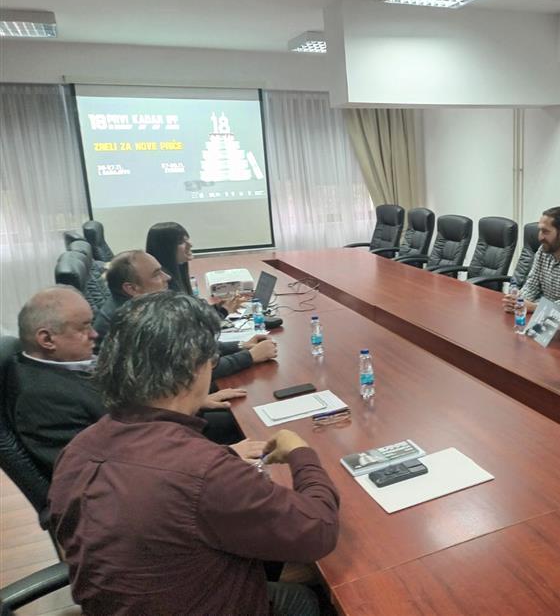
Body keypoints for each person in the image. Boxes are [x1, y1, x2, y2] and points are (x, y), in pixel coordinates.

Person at [48, 291, 339, 615]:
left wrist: (218, 444)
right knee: (309, 598)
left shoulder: (78, 449)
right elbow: (319, 530)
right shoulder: (203, 473)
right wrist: (302, 454)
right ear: (193, 368)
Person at [14, 286, 262, 474]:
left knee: (245, 416)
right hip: (147, 486)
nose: (95, 334)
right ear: (47, 339)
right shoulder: (41, 399)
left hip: (156, 439)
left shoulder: (71, 364)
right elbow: (109, 471)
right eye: (83, 327)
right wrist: (224, 455)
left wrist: (190, 401)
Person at [95, 250, 277, 377]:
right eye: (156, 274)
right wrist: (250, 357)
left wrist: (240, 345)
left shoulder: (138, 308)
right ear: (132, 288)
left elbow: (192, 347)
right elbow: (189, 370)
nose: (167, 278)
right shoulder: (134, 322)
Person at [146, 221, 245, 315]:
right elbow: (188, 326)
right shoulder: (163, 285)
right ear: (165, 249)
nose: (190, 244)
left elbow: (191, 315)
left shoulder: (177, 273)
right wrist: (224, 311)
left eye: (187, 239)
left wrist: (218, 308)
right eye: (181, 242)